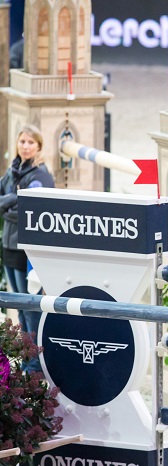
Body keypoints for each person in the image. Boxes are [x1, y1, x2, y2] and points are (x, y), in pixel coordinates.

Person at [0, 124, 55, 374]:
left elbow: (29, 209)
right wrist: (14, 200)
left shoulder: (41, 175)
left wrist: (9, 204)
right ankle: (25, 358)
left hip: (27, 251)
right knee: (20, 307)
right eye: (22, 141)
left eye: (31, 142)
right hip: (9, 246)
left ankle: (36, 364)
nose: (25, 146)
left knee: (31, 307)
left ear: (39, 146)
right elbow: (11, 203)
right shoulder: (12, 172)